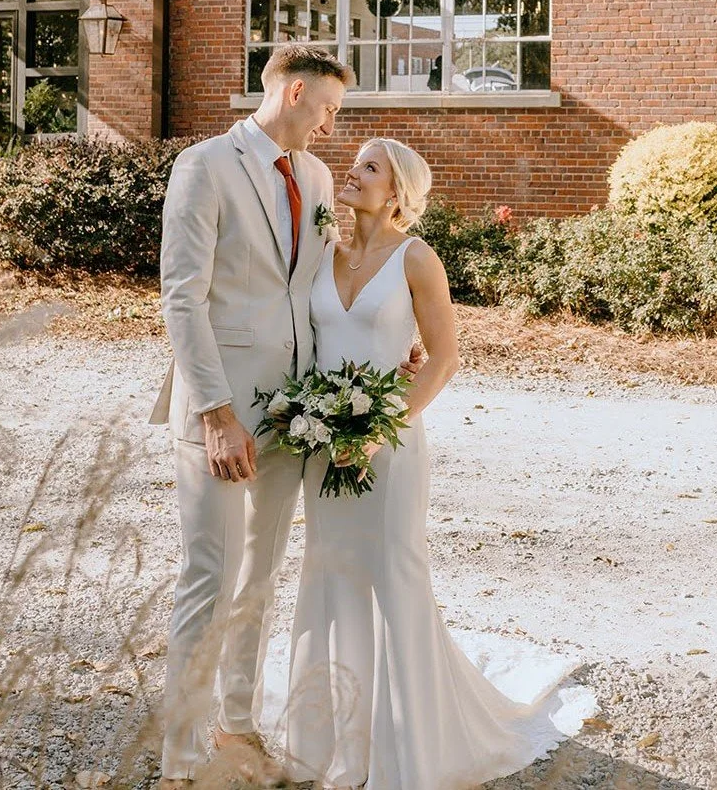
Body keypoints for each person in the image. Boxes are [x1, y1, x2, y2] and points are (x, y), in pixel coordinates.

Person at [152, 46, 422, 787]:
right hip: (221, 410)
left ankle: (237, 725)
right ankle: (179, 757)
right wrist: (214, 411)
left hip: (291, 414)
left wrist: (389, 346)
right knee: (209, 573)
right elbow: (182, 295)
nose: (333, 125)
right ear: (295, 91)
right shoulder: (204, 166)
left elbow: (322, 287)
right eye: (329, 109)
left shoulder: (315, 176)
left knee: (261, 576)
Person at [277, 137, 568, 789]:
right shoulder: (323, 252)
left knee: (391, 577)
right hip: (324, 442)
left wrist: (379, 429)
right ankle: (334, 743)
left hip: (389, 445)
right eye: (356, 162)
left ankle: (404, 749)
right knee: (330, 577)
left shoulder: (416, 257)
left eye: (370, 167)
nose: (353, 171)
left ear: (399, 191)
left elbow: (441, 358)